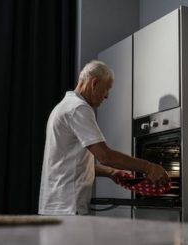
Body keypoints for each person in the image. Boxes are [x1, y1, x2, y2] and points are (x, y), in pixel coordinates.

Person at [38, 60, 169, 215]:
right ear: (94, 83)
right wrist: (150, 168)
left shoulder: (63, 107)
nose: (107, 96)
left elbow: (67, 164)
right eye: (107, 88)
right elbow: (105, 156)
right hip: (69, 207)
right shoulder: (79, 108)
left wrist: (110, 172)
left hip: (55, 205)